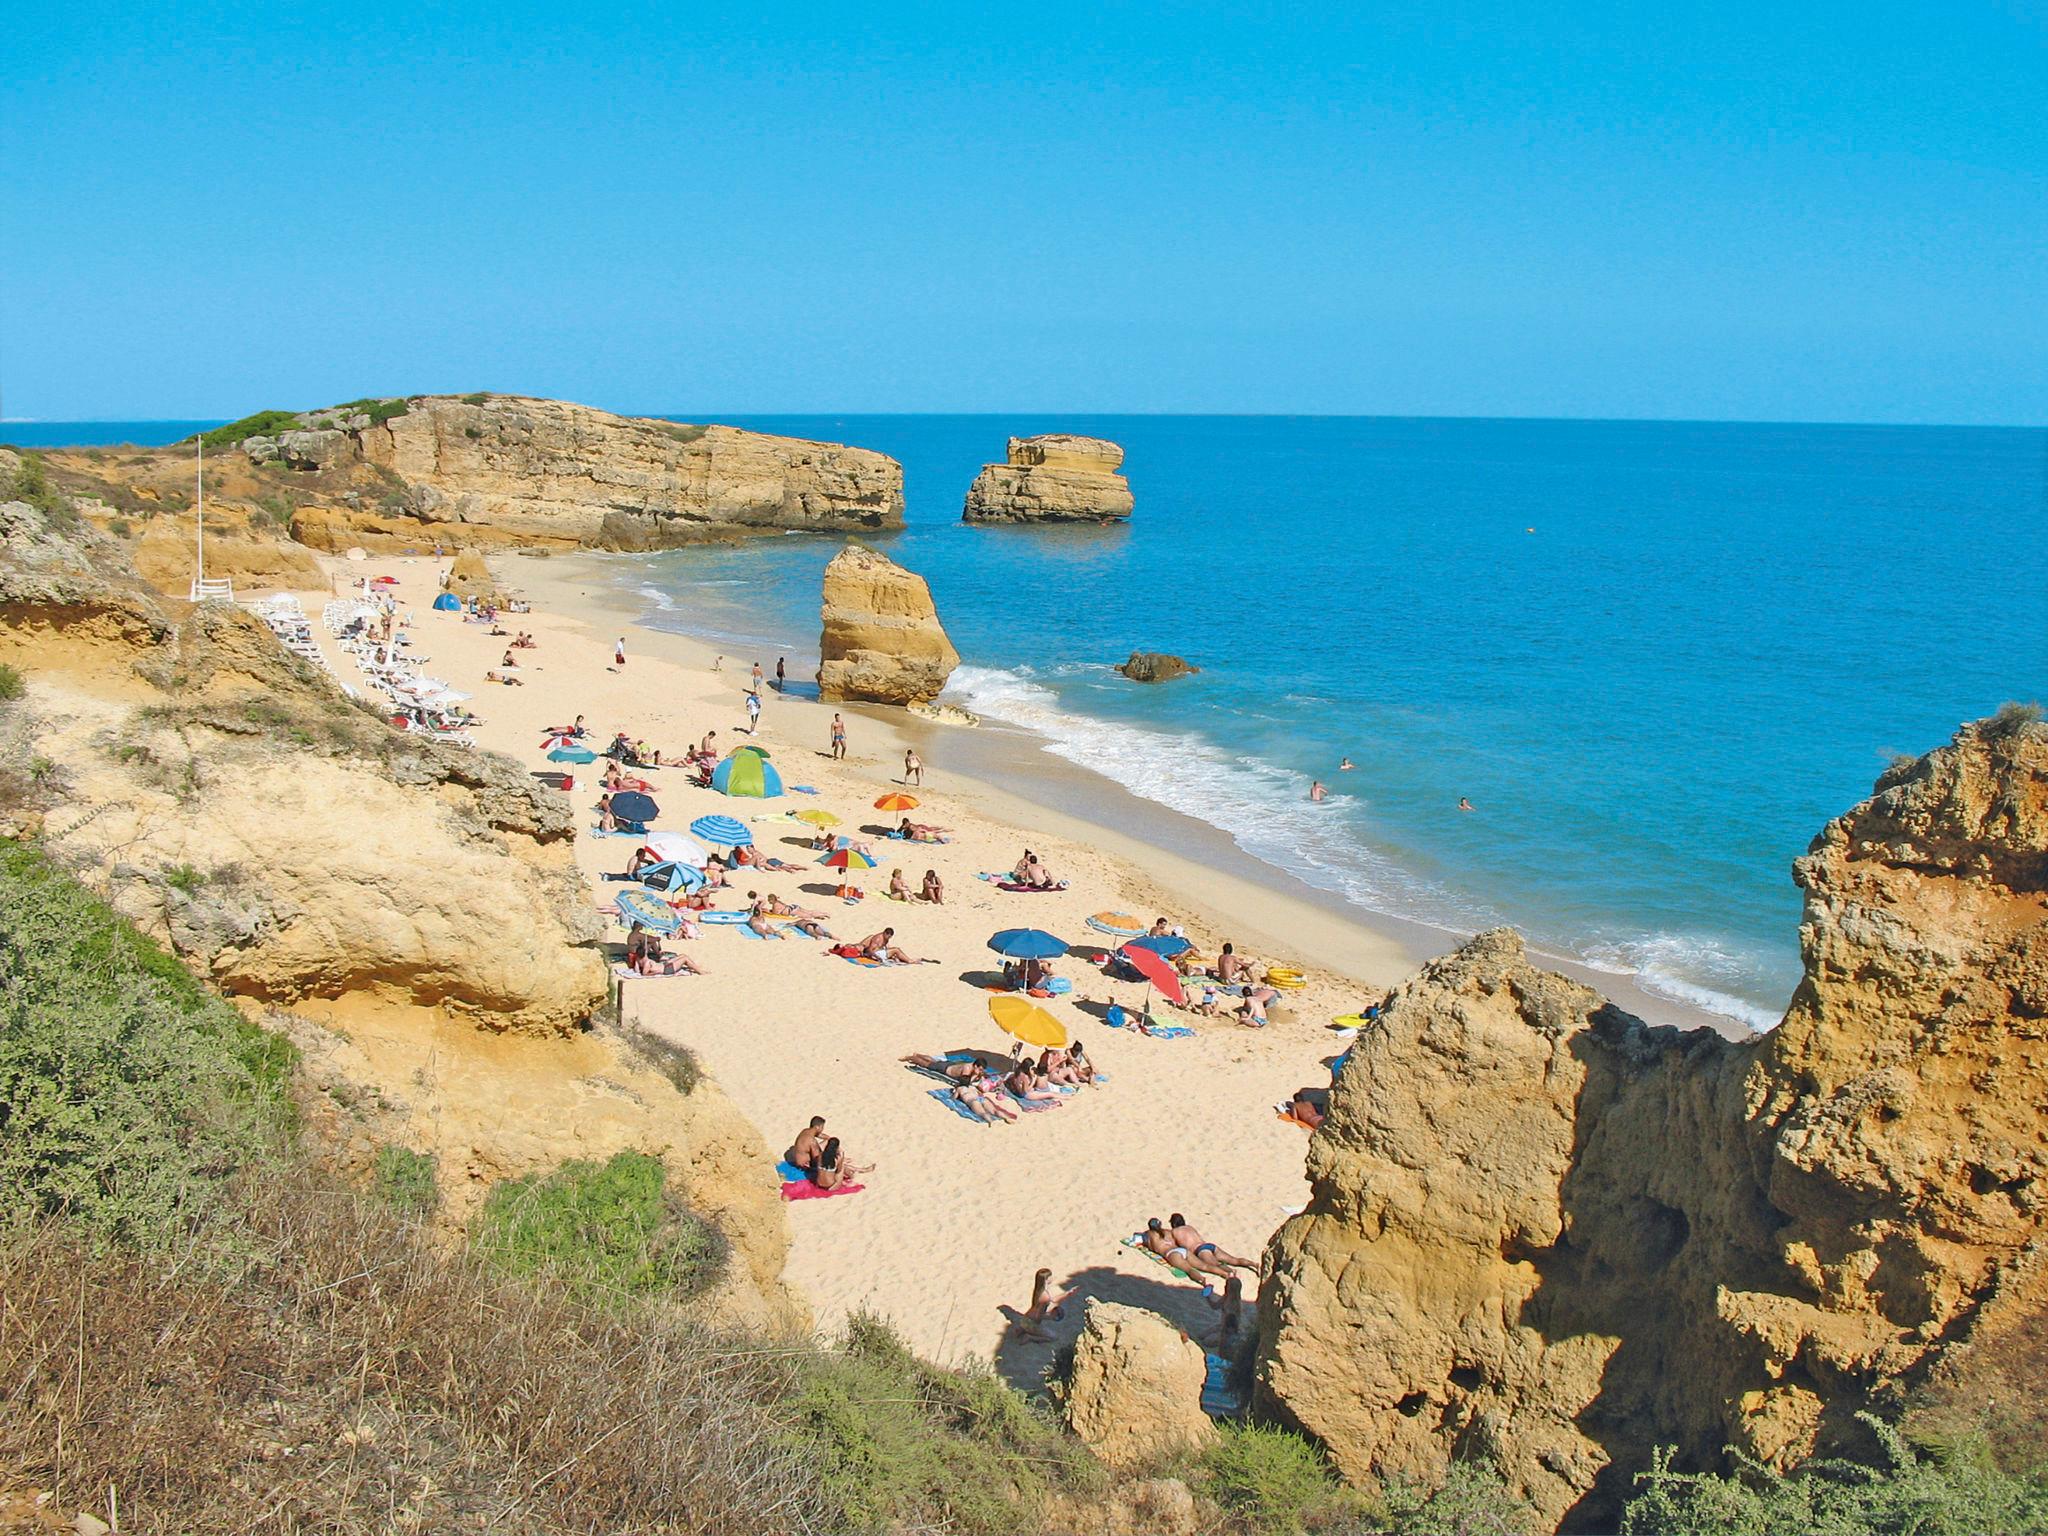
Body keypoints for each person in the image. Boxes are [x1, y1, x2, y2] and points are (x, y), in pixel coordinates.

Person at [1169, 1215, 1259, 1275]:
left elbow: (1177, 1245)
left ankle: (1231, 1271)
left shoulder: (1174, 1231)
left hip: (1200, 1250)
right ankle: (1254, 1264)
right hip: (1208, 1245)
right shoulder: (1189, 1227)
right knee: (1234, 1260)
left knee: (1216, 1264)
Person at [1009, 1267, 1076, 1340]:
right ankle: (1030, 1337)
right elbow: (1038, 1317)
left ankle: (1022, 1329)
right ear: (1046, 1279)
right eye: (1050, 1276)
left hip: (1025, 1319)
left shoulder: (1039, 1290)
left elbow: (1052, 1300)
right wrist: (1051, 1317)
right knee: (1053, 1337)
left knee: (1029, 1326)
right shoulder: (1045, 1296)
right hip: (1032, 1323)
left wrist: (1067, 1293)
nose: (1052, 1278)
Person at [860, 927, 930, 965]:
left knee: (895, 951)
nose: (889, 938)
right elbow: (870, 950)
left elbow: (886, 947)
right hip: (875, 954)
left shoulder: (885, 938)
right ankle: (909, 961)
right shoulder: (878, 938)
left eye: (890, 937)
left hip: (880, 952)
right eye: (888, 936)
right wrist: (878, 958)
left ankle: (906, 959)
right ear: (884, 933)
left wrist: (892, 955)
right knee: (896, 949)